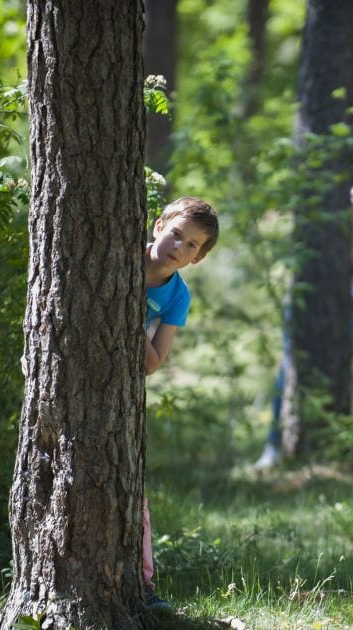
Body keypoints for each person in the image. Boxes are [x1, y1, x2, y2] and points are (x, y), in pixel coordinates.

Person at [253, 159, 353, 469]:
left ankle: (329, 448)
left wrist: (351, 223)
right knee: (290, 365)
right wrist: (351, 210)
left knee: (337, 364)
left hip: (345, 299)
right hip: (307, 288)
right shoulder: (347, 196)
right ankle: (273, 445)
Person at [143, 196, 219, 608]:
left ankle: (143, 584)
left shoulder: (177, 297)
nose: (179, 246)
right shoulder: (118, 257)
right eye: (176, 234)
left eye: (192, 245)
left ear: (197, 258)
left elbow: (153, 363)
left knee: (129, 489)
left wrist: (126, 311)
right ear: (158, 227)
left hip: (121, 396)